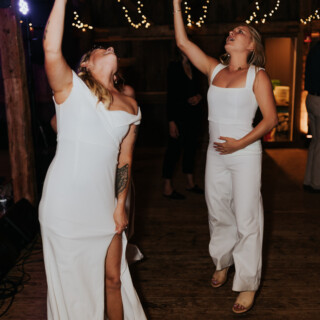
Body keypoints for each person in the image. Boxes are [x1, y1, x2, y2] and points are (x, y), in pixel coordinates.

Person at [38, 0, 147, 319]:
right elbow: (51, 49)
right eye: (100, 48)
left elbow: (124, 160)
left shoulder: (130, 106)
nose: (109, 46)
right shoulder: (71, 89)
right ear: (85, 64)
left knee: (113, 279)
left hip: (104, 205)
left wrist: (120, 205)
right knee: (74, 288)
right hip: (65, 205)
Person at [173, 0, 278, 314]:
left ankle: (247, 283)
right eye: (232, 31)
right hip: (216, 153)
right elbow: (182, 41)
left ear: (251, 45)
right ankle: (222, 261)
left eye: (240, 32)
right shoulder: (214, 69)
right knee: (217, 211)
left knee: (247, 218)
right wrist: (177, 5)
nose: (232, 33)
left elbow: (270, 120)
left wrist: (239, 144)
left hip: (244, 154)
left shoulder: (257, 76)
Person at [162, 51, 204, 199]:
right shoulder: (173, 67)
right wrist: (171, 121)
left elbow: (201, 88)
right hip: (178, 116)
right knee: (173, 150)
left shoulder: (195, 66)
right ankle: (167, 187)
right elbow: (171, 95)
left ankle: (190, 183)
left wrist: (199, 96)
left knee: (191, 149)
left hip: (193, 115)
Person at [303, 41, 320, 193]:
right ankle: (316, 183)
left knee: (315, 141)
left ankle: (308, 179)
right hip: (319, 99)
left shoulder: (314, 48)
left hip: (311, 98)